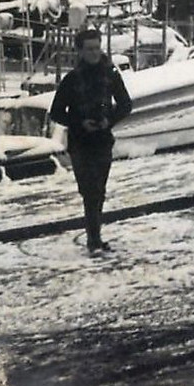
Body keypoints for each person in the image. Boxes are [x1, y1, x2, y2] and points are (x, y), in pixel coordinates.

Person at [49, 28, 133, 255]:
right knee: (89, 190)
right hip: (80, 142)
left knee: (99, 190)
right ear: (80, 51)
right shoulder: (72, 79)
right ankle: (93, 240)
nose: (94, 53)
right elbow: (56, 112)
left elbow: (126, 104)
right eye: (89, 49)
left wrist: (109, 121)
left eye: (97, 48)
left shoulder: (111, 74)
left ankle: (94, 237)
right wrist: (79, 122)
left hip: (103, 140)